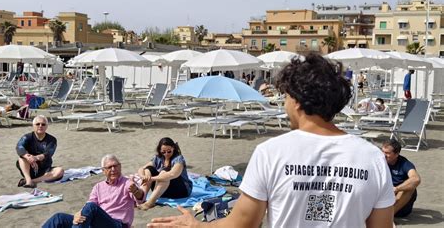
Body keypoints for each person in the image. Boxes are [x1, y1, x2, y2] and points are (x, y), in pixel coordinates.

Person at [148, 54, 394, 227]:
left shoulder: (272, 152)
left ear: (296, 100)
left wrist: (196, 226)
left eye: (286, 97)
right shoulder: (371, 156)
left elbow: (243, 223)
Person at [42, 154, 145, 228]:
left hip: (116, 224)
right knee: (59, 218)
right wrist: (79, 214)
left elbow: (141, 199)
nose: (113, 169)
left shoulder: (127, 183)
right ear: (103, 171)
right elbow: (89, 205)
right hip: (97, 222)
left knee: (92, 208)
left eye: (116, 166)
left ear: (120, 166)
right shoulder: (98, 187)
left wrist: (136, 190)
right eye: (109, 167)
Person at [137, 137, 193, 210]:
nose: (166, 154)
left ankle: (150, 202)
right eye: (163, 152)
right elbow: (142, 168)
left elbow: (173, 174)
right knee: (148, 170)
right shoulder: (158, 158)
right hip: (163, 190)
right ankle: (142, 197)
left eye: (169, 151)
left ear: (173, 148)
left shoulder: (178, 158)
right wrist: (143, 176)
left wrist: (152, 179)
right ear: (160, 150)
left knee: (164, 173)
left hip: (181, 190)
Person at [15, 115, 64, 188]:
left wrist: (36, 158)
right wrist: (28, 156)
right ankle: (28, 180)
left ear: (46, 126)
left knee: (60, 171)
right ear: (33, 125)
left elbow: (48, 153)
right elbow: (19, 147)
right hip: (29, 167)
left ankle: (32, 181)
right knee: (21, 159)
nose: (40, 126)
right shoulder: (27, 137)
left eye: (43, 124)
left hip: (44, 169)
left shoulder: (52, 139)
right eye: (37, 124)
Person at [381, 140, 421, 217]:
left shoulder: (404, 164)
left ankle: (389, 216)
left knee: (410, 187)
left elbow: (416, 179)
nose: (383, 155)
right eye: (382, 151)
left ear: (396, 154)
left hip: (401, 205)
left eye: (387, 153)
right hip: (385, 198)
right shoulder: (379, 161)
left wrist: (396, 189)